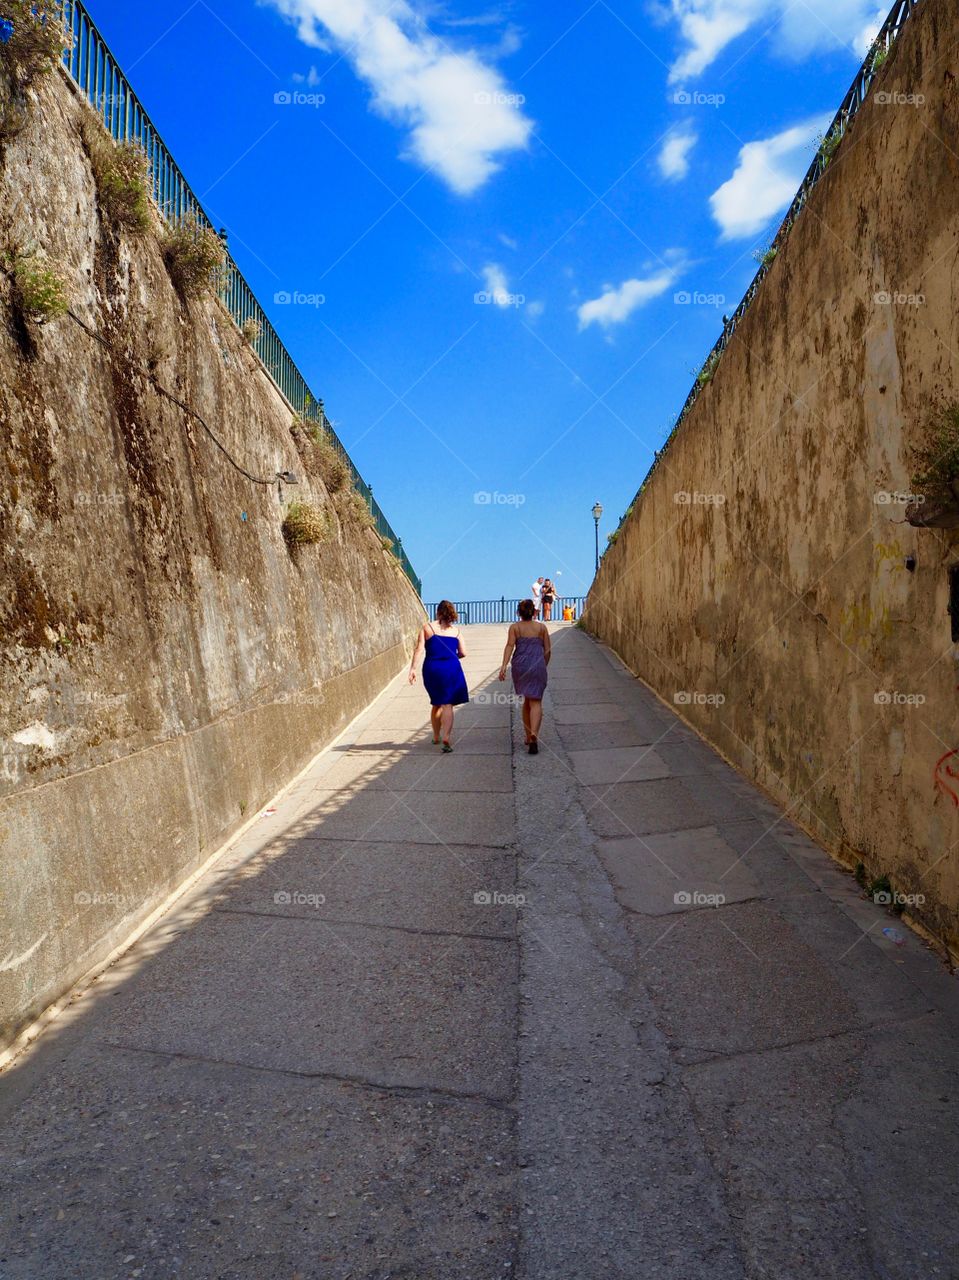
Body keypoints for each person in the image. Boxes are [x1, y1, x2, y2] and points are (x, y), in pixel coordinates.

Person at [409, 601, 468, 752]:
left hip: (432, 668)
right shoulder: (456, 631)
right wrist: (451, 657)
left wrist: (412, 669)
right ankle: (446, 736)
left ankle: (436, 736)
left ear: (438, 612)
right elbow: (463, 653)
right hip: (451, 668)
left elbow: (419, 649)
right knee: (447, 704)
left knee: (437, 703)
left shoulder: (427, 627)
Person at [499, 599, 550, 754]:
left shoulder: (515, 628)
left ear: (518, 613)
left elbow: (509, 645)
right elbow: (547, 650)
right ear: (534, 612)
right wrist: (543, 664)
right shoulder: (542, 628)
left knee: (526, 700)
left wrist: (503, 666)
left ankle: (528, 736)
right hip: (537, 665)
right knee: (536, 702)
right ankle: (534, 734)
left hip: (520, 666)